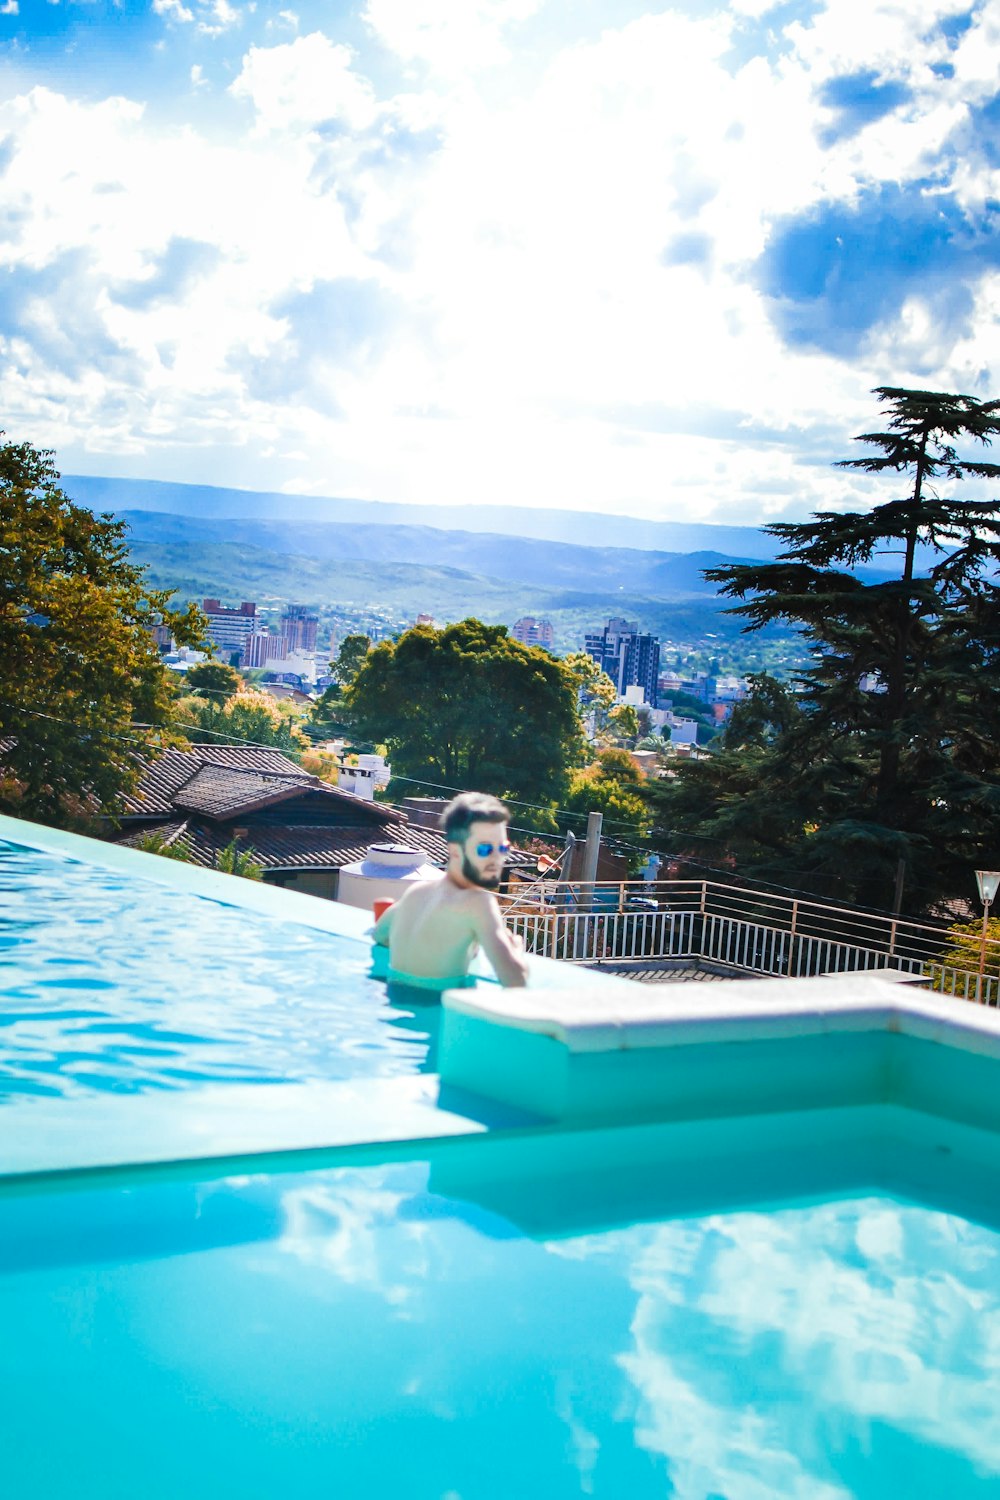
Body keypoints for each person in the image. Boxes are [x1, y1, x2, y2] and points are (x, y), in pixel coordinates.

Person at [373, 791, 529, 990]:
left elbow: (379, 935)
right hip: (438, 1014)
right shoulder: (479, 902)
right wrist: (516, 950)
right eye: (485, 849)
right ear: (455, 850)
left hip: (395, 1005)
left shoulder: (416, 892)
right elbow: (515, 982)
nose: (497, 859)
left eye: (503, 848)